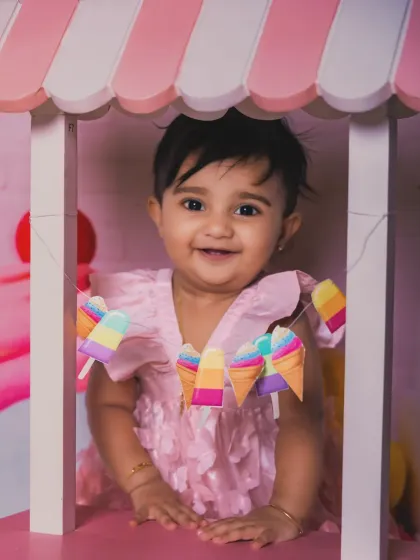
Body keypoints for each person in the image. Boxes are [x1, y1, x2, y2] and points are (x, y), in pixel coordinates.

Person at [76, 109, 344, 548]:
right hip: (143, 491)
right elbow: (109, 406)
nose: (218, 227)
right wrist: (142, 484)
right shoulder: (133, 307)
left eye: (246, 209)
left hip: (257, 496)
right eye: (194, 204)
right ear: (158, 213)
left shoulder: (279, 315)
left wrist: (283, 511)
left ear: (284, 230)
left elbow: (302, 422)